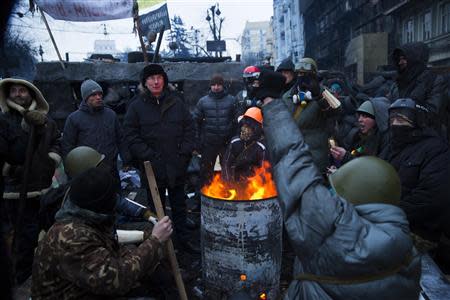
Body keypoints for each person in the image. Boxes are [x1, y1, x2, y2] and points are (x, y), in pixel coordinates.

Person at [257, 70, 421, 299]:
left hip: (308, 162)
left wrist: (316, 91)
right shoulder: (405, 247)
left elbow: (335, 111)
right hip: (304, 164)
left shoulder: (319, 97)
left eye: (302, 74)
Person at [31, 167, 174, 299]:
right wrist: (155, 241)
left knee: (145, 265)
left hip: (83, 287)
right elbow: (116, 280)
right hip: (73, 295)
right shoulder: (72, 237)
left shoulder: (84, 212)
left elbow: (112, 248)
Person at [123, 64, 198, 254]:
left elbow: (190, 129)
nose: (155, 81)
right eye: (151, 78)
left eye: (159, 77)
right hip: (152, 167)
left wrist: (184, 154)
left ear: (164, 80)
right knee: (157, 209)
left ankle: (183, 241)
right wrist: (148, 155)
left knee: (180, 205)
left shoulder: (176, 102)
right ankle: (162, 246)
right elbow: (131, 135)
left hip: (176, 165)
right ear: (144, 82)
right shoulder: (136, 106)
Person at [0, 78, 61, 284]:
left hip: (43, 188)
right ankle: (21, 279)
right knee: (23, 239)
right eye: (14, 91)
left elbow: (56, 142)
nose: (18, 94)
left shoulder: (47, 121)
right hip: (16, 191)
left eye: (22, 91)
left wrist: (52, 158)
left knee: (46, 233)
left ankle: (45, 274)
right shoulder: (5, 121)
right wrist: (9, 168)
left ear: (31, 94)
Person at [381, 98, 450, 272]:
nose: (396, 124)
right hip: (389, 223)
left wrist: (389, 212)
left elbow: (432, 198)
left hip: (419, 233)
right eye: (392, 119)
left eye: (403, 119)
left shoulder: (435, 150)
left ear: (418, 120)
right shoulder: (392, 147)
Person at [62, 79, 130, 182]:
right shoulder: (74, 119)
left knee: (114, 196)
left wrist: (126, 159)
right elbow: (67, 146)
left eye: (100, 94)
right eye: (93, 95)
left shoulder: (110, 115)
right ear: (85, 97)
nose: (98, 97)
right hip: (86, 172)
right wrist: (71, 171)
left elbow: (121, 138)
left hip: (110, 169)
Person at [282, 57, 341, 174]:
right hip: (292, 159)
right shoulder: (287, 97)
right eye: (299, 73)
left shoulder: (323, 94)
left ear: (314, 75)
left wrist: (319, 94)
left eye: (306, 74)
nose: (302, 77)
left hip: (316, 160)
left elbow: (336, 110)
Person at [193, 73, 237, 185]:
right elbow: (195, 122)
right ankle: (202, 197)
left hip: (226, 144)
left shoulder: (232, 100)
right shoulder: (203, 101)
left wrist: (235, 140)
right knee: (205, 173)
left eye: (218, 85)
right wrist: (197, 141)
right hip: (209, 143)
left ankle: (230, 194)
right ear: (210, 86)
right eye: (213, 85)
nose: (216, 87)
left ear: (223, 85)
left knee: (228, 171)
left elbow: (237, 121)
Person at [389, 42, 445, 129]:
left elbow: (433, 111)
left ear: (414, 59)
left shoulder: (433, 81)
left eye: (404, 59)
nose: (400, 62)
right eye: (399, 59)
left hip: (424, 135)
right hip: (398, 135)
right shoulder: (397, 84)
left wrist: (406, 116)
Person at [330, 98, 389, 166]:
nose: (360, 120)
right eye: (359, 116)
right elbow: (356, 152)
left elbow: (372, 167)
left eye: (365, 116)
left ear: (377, 119)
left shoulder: (384, 142)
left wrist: (346, 157)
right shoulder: (361, 138)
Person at [222, 107, 266, 182]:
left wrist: (252, 182)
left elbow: (263, 169)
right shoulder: (235, 142)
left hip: (252, 181)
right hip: (234, 178)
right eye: (244, 126)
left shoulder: (260, 147)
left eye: (249, 127)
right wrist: (228, 181)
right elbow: (226, 163)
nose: (245, 130)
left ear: (256, 129)